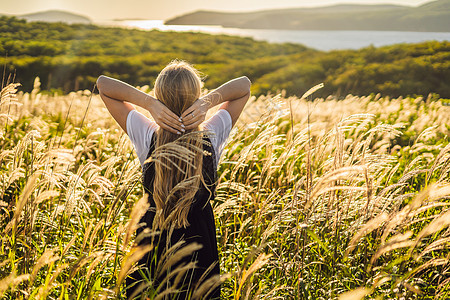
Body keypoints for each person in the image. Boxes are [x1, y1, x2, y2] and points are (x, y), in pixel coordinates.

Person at [96, 60, 251, 299]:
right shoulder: (212, 132)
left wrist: (149, 104)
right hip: (200, 243)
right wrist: (206, 103)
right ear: (197, 95)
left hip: (151, 239)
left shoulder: (147, 133)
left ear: (160, 96)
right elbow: (244, 86)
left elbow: (103, 85)